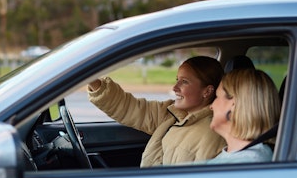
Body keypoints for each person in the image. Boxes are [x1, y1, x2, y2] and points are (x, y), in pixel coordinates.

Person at [88, 56, 225, 167]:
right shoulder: (171, 114)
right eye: (177, 80)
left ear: (207, 91)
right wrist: (91, 79)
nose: (175, 87)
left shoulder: (213, 133)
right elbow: (128, 107)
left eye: (184, 82)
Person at [204, 68, 281, 164]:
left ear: (234, 104)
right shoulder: (240, 158)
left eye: (217, 96)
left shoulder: (248, 163)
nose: (211, 106)